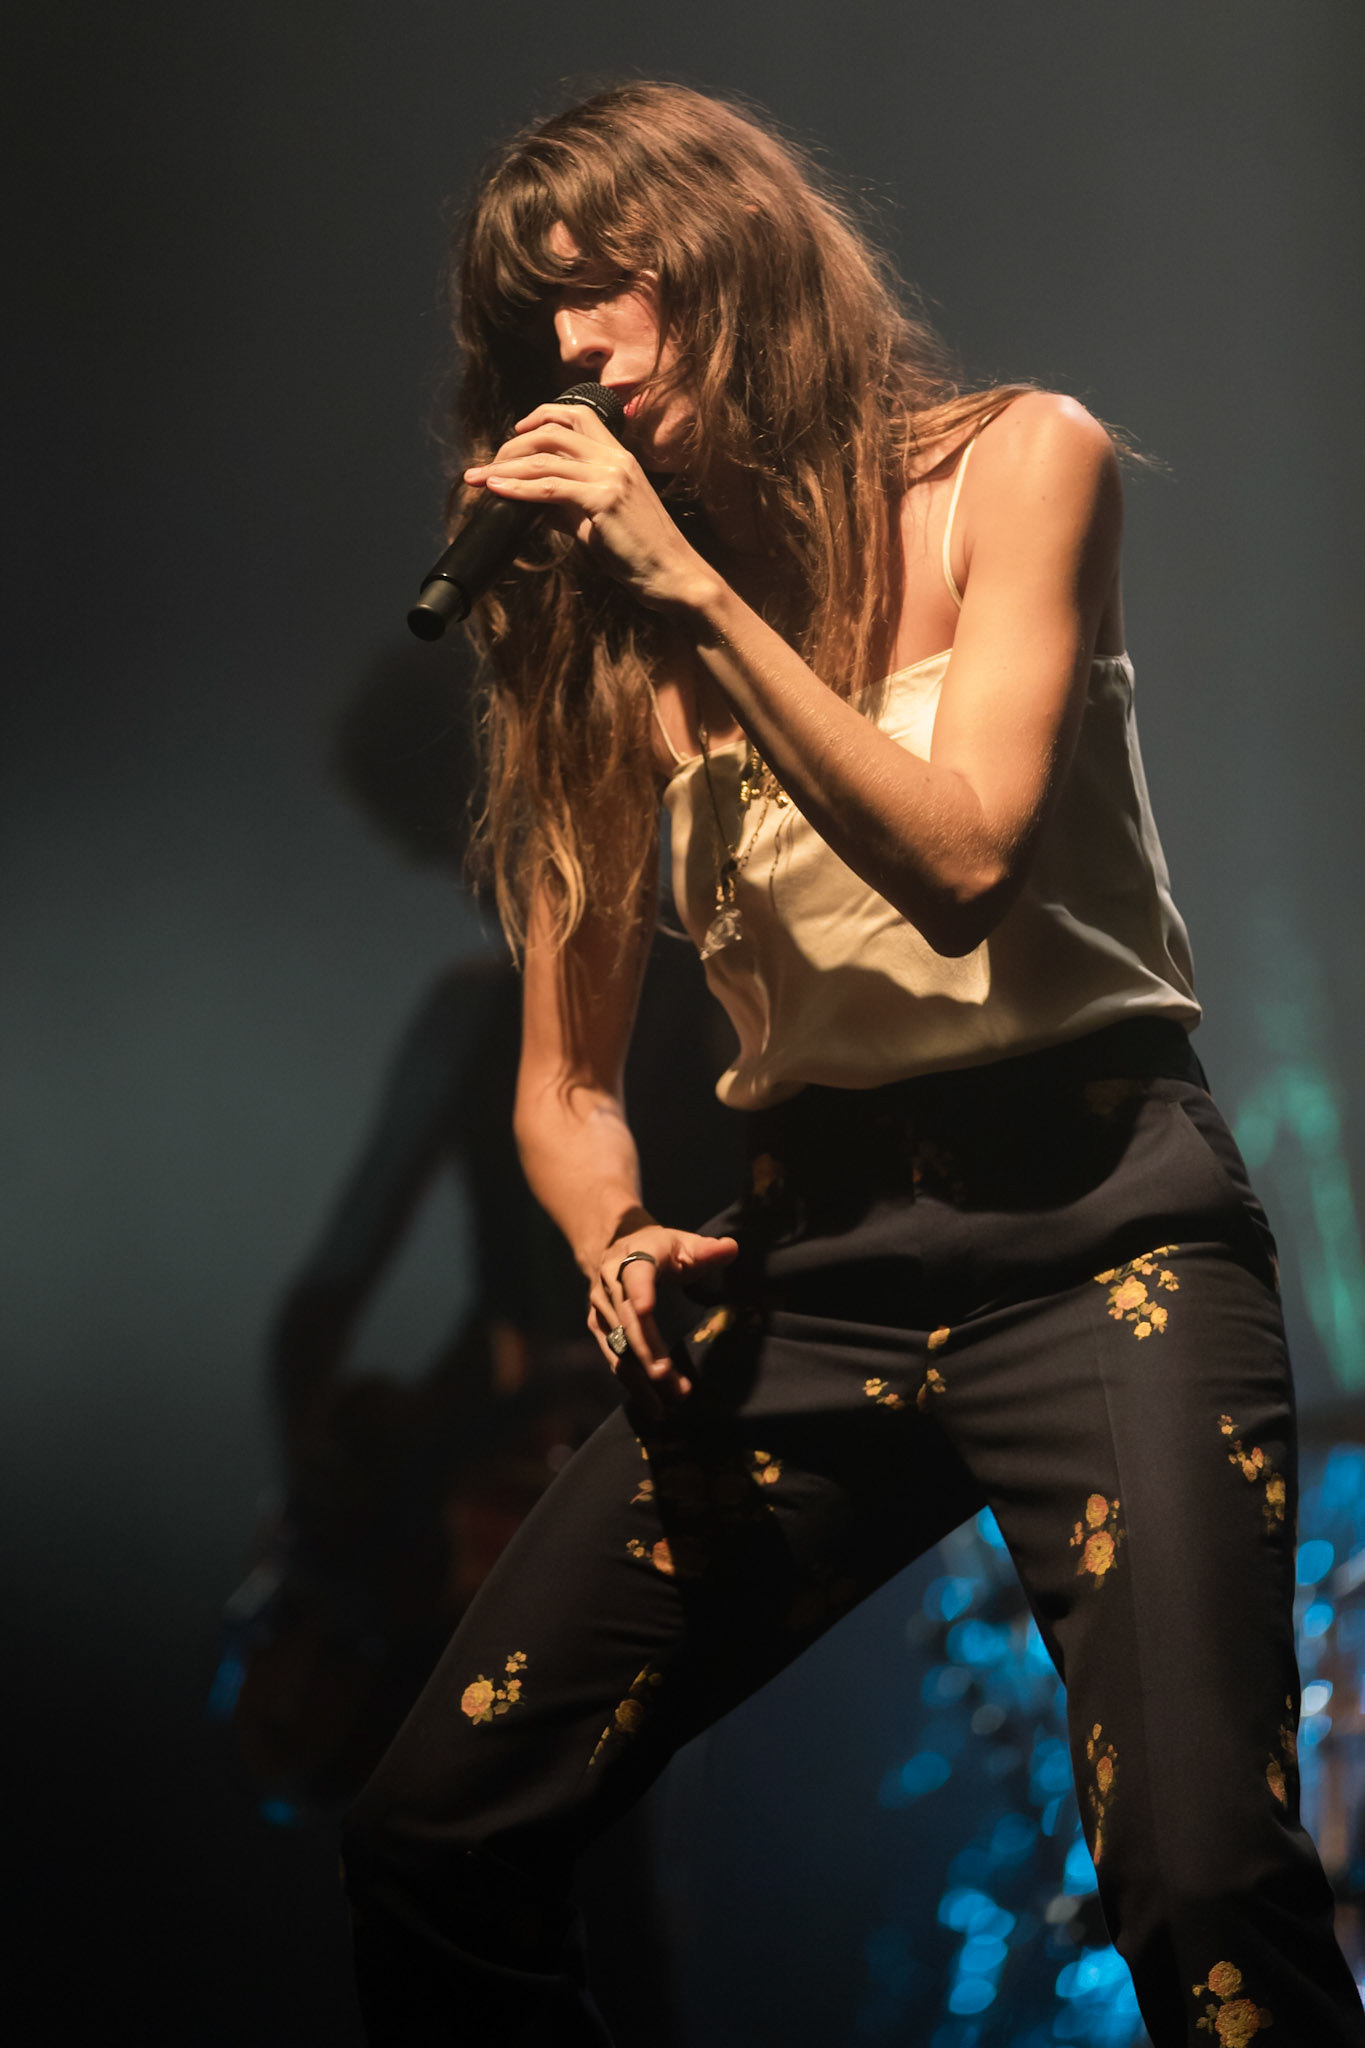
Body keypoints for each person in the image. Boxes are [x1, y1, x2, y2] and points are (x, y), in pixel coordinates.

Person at [341, 82, 1365, 2045]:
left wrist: (688, 593)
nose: (568, 347)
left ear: (732, 264)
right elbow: (561, 1089)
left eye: (606, 289)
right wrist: (618, 1237)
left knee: (1200, 1898)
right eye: (530, 317)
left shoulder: (1013, 466)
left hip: (1098, 1243)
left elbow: (964, 858)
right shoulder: (601, 644)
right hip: (816, 1272)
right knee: (431, 1832)